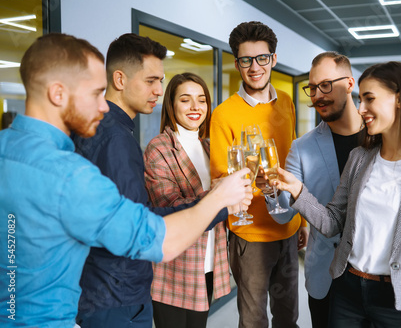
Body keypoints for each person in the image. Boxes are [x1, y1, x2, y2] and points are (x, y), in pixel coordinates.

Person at [0, 33, 251, 328]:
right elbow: (157, 239)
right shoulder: (71, 174)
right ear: (57, 94)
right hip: (101, 302)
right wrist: (220, 199)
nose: (104, 106)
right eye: (95, 93)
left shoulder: (10, 147)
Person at [273, 61, 401, 328]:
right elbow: (331, 222)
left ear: (400, 99)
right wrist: (297, 191)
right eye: (360, 99)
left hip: (396, 301)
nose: (361, 109)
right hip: (346, 292)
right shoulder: (360, 158)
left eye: (369, 99)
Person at [71, 34, 234, 328]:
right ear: (119, 79)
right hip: (118, 292)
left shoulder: (109, 131)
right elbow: (139, 227)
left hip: (112, 288)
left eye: (160, 81)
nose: (158, 89)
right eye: (151, 81)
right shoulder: (118, 141)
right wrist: (219, 201)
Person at [210, 21, 307, 328]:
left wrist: (301, 218)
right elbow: (219, 180)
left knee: (288, 317)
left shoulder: (287, 103)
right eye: (246, 60)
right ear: (237, 63)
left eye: (262, 58)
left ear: (273, 59)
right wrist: (256, 188)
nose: (255, 67)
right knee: (253, 321)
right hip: (249, 234)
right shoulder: (224, 114)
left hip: (289, 228)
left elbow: (294, 165)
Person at [258, 51, 365, 328]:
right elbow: (283, 215)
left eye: (326, 85)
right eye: (313, 87)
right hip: (325, 275)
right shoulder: (302, 147)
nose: (318, 95)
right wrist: (270, 191)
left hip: (372, 273)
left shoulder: (378, 136)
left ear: (350, 83)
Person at [143, 73, 230, 327]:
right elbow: (172, 208)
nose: (195, 107)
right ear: (172, 105)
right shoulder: (158, 148)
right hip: (175, 269)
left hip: (208, 262)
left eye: (201, 100)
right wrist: (222, 195)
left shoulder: (210, 148)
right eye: (186, 100)